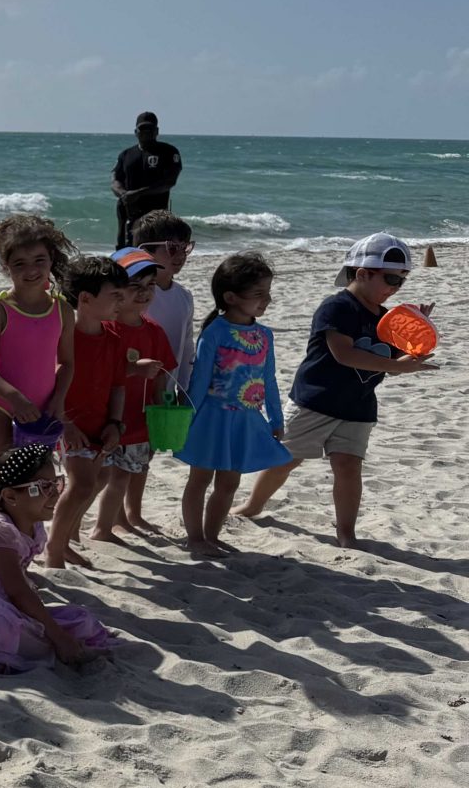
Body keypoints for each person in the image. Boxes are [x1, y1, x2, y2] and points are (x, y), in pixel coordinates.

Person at [237, 233, 436, 547]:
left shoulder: (386, 318)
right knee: (285, 459)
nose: (397, 287)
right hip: (315, 401)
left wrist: (419, 338)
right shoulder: (337, 307)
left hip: (358, 406)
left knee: (348, 466)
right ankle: (253, 505)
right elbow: (345, 354)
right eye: (391, 279)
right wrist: (402, 366)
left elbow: (395, 358)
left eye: (402, 280)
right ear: (362, 274)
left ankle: (346, 533)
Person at [0, 444, 114, 673]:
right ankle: (58, 649)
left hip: (4, 602)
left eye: (56, 484)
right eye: (43, 487)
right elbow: (16, 590)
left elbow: (20, 583)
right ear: (10, 496)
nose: (55, 493)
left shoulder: (33, 524)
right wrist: (58, 636)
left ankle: (55, 647)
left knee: (81, 618)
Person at [174, 253, 291, 557]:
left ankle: (212, 536)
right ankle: (195, 537)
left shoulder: (263, 335)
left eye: (268, 292)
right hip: (211, 418)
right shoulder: (215, 332)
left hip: (245, 420)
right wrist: (187, 418)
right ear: (231, 297)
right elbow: (199, 381)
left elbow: (269, 379)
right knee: (199, 479)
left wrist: (275, 418)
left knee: (229, 483)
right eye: (258, 294)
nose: (267, 299)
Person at [0, 215, 74, 502]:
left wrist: (58, 399)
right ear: (6, 267)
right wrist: (15, 398)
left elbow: (67, 363)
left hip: (42, 412)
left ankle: (22, 546)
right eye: (20, 263)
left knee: (35, 489)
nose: (31, 270)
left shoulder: (62, 310)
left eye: (39, 260)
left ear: (51, 259)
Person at [45, 253, 129, 568]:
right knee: (80, 483)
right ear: (85, 298)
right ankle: (54, 549)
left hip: (99, 424)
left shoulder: (114, 338)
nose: (122, 301)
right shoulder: (64, 336)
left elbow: (118, 386)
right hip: (67, 423)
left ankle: (64, 541)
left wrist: (115, 424)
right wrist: (65, 423)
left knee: (100, 478)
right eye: (115, 296)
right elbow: (51, 384)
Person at [92, 248, 178, 541]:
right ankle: (106, 526)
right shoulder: (104, 327)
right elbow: (98, 373)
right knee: (106, 477)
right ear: (116, 290)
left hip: (140, 418)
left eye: (149, 286)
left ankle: (126, 518)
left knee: (131, 470)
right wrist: (133, 369)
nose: (143, 294)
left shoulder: (154, 331)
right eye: (134, 287)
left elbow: (162, 379)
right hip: (106, 417)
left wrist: (161, 415)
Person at [135, 211, 196, 394]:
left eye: (185, 247)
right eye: (172, 247)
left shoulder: (185, 296)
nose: (180, 254)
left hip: (167, 396)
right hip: (133, 393)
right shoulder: (135, 294)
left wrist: (184, 391)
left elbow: (186, 350)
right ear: (146, 250)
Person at [112, 111, 182, 248]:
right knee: (124, 247)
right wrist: (124, 194)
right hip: (128, 210)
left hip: (155, 213)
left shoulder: (169, 152)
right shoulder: (126, 155)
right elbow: (115, 179)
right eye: (142, 129)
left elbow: (169, 182)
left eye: (150, 129)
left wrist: (138, 193)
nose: (146, 132)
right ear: (135, 132)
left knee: (151, 249)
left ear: (157, 131)